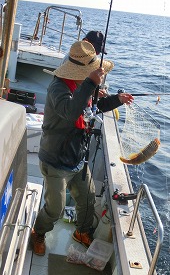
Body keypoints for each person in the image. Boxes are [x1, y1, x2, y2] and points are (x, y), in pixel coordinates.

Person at [31, 40, 134, 256]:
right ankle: (38, 232)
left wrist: (117, 99)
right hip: (55, 160)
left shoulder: (81, 87)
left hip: (77, 158)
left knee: (88, 198)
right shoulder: (58, 89)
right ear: (81, 73)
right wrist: (90, 83)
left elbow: (93, 107)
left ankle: (82, 231)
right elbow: (70, 112)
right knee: (55, 208)